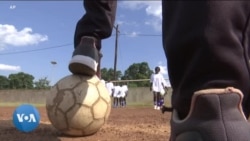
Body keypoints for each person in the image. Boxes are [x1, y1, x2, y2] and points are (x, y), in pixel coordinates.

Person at [69, 1, 250, 140]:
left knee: (152, 98)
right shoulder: (153, 75)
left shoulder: (154, 75)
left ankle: (89, 38)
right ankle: (212, 97)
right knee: (162, 95)